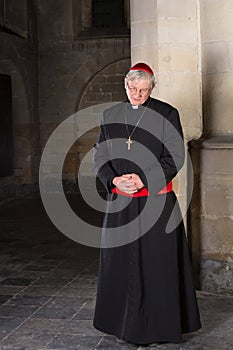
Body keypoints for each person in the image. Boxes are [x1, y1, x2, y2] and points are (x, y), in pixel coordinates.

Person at [93, 62, 201, 346]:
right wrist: (115, 181)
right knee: (119, 264)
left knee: (158, 265)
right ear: (125, 85)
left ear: (151, 88)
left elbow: (175, 156)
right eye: (132, 88)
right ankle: (120, 324)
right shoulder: (111, 114)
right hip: (121, 203)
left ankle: (160, 327)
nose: (137, 95)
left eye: (143, 90)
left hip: (156, 202)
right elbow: (100, 156)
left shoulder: (166, 113)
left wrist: (142, 180)